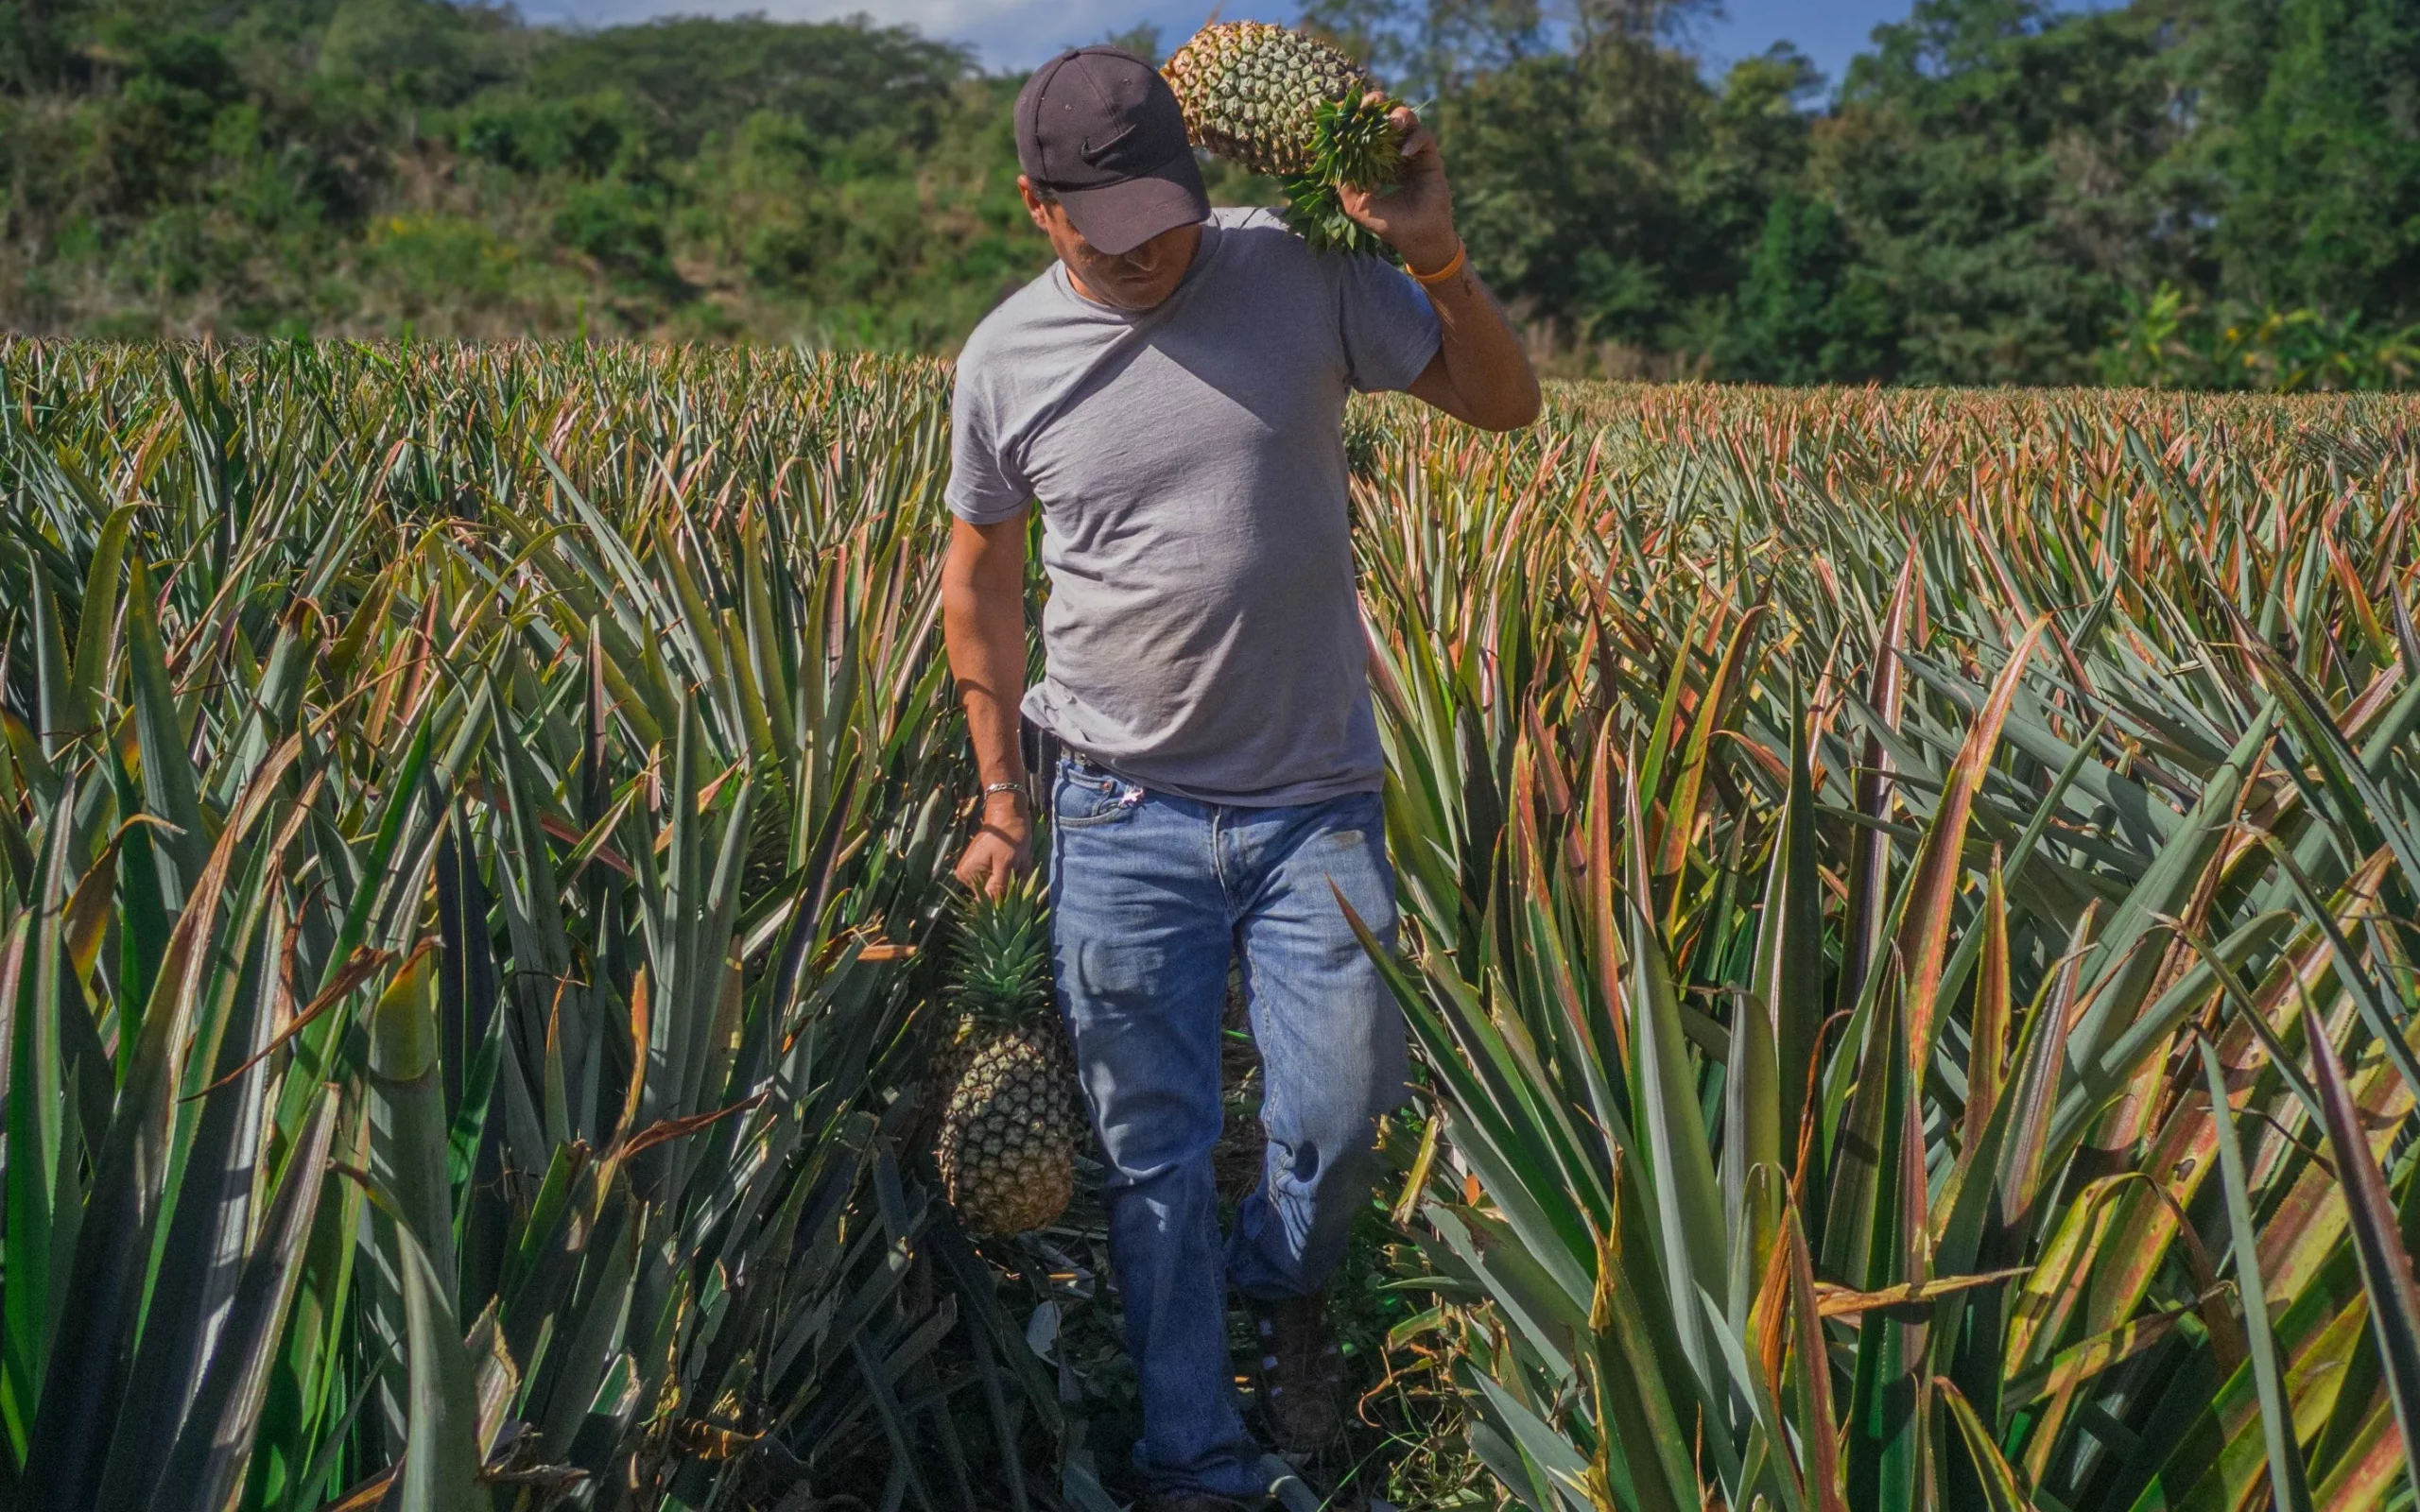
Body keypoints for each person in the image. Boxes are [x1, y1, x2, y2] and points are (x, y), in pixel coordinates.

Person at [942, 43, 1539, 1512]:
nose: (1151, 253)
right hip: (1117, 806)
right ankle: (1194, 1458)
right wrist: (1002, 796)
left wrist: (1437, 254)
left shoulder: (1292, 271)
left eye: (1173, 217)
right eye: (1111, 230)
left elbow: (1502, 404)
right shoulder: (1002, 360)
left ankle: (1280, 1280)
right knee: (1153, 1156)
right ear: (1039, 206)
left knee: (1340, 1116)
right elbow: (979, 587)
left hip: (1311, 798)